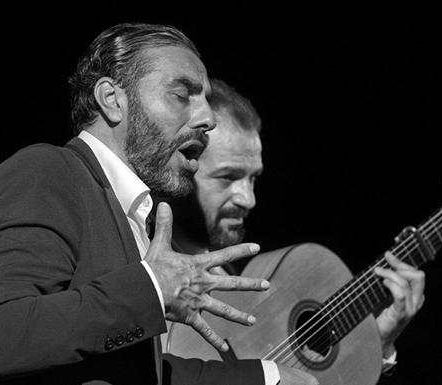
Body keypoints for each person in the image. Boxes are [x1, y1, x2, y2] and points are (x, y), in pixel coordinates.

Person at [0, 23, 287, 385]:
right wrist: (151, 287)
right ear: (112, 100)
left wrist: (269, 376)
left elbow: (130, 375)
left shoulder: (131, 215)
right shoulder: (46, 172)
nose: (208, 118)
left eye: (207, 100)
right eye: (182, 95)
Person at [169, 78, 426, 381]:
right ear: (182, 167)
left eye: (253, 178)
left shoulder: (241, 273)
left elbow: (287, 369)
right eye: (228, 177)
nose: (248, 199)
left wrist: (375, 344)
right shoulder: (145, 270)